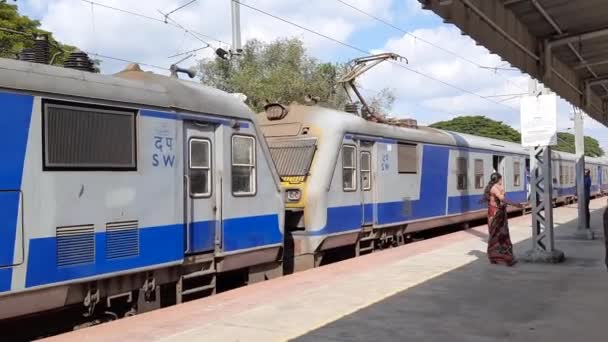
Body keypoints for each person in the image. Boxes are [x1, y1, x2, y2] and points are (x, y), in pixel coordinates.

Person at [481, 172, 523, 266]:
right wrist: (515, 204)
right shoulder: (495, 188)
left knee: (498, 235)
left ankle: (496, 257)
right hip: (496, 214)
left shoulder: (496, 187)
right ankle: (505, 258)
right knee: (499, 235)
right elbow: (502, 199)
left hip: (498, 213)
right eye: (501, 179)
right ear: (499, 179)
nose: (501, 180)